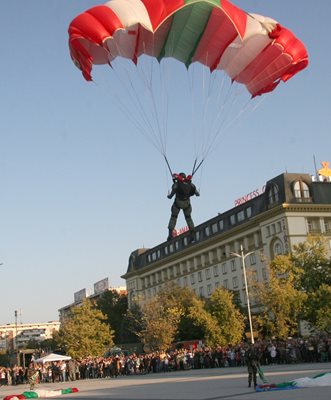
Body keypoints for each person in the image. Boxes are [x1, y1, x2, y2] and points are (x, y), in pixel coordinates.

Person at [167, 172, 199, 241]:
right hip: (187, 204)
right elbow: (197, 194)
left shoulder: (177, 184)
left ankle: (170, 234)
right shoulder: (190, 184)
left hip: (177, 204)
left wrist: (168, 195)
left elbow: (170, 196)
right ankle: (192, 233)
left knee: (173, 217)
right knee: (188, 218)